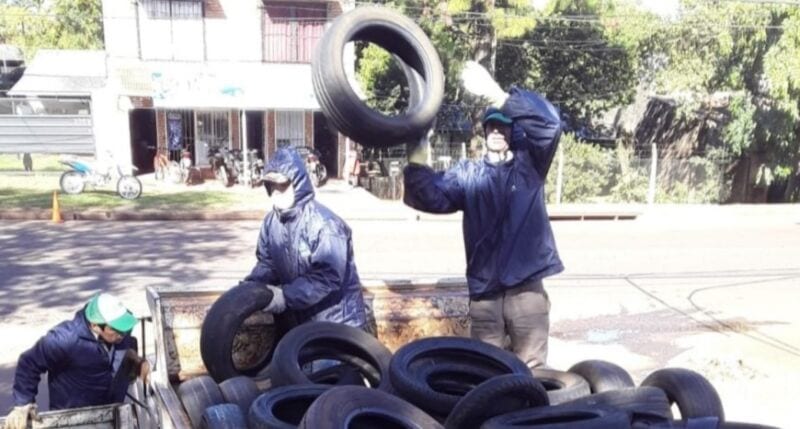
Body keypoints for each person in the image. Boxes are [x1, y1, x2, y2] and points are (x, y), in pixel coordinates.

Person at [402, 61, 564, 368]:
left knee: (534, 371)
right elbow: (430, 196)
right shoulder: (469, 175)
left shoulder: (530, 167)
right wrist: (416, 151)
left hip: (526, 291)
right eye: (493, 125)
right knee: (487, 372)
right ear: (485, 131)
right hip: (485, 295)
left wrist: (499, 95)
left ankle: (532, 416)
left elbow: (550, 126)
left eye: (505, 126)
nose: (498, 132)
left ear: (513, 132)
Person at [244, 147, 366, 329]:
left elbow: (327, 277)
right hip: (301, 323)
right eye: (272, 186)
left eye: (283, 185)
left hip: (337, 323)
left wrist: (285, 296)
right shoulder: (271, 222)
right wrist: (251, 287)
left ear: (298, 182)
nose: (277, 191)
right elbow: (267, 263)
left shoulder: (324, 224)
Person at [6, 293, 148, 429]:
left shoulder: (121, 330)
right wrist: (23, 404)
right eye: (116, 330)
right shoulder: (65, 339)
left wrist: (136, 361)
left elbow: (127, 347)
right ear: (95, 326)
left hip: (112, 416)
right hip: (74, 421)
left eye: (124, 328)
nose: (122, 334)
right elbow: (29, 363)